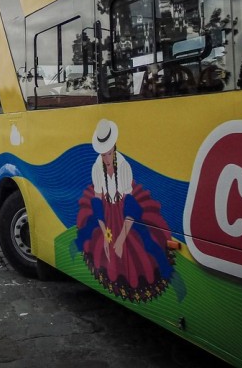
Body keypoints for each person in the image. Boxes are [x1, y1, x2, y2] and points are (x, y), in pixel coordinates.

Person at [74, 119, 175, 302]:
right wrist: (105, 233)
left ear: (114, 148)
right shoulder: (97, 166)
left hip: (125, 210)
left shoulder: (124, 166)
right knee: (94, 241)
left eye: (109, 154)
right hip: (107, 210)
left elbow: (130, 206)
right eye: (103, 155)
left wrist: (120, 239)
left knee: (141, 243)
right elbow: (97, 202)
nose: (106, 160)